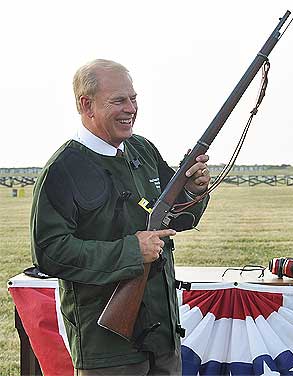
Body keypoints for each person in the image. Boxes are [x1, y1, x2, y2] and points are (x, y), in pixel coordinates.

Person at [30, 59, 211, 375]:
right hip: (107, 348)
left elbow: (178, 218)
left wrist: (193, 191)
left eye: (134, 98)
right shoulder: (63, 168)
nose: (131, 108)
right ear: (87, 105)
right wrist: (131, 251)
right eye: (119, 100)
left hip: (164, 338)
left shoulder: (142, 150)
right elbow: (49, 253)